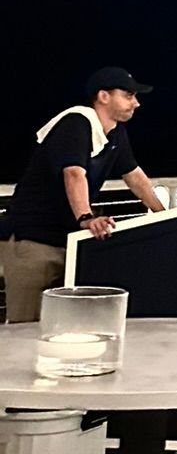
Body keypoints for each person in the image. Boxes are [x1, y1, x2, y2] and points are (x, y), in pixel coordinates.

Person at [0, 69, 164, 324]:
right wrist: (86, 217)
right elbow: (74, 173)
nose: (136, 103)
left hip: (69, 243)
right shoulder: (77, 122)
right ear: (103, 96)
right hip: (32, 242)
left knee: (63, 325)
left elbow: (134, 175)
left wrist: (163, 214)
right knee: (26, 328)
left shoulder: (115, 132)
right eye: (129, 95)